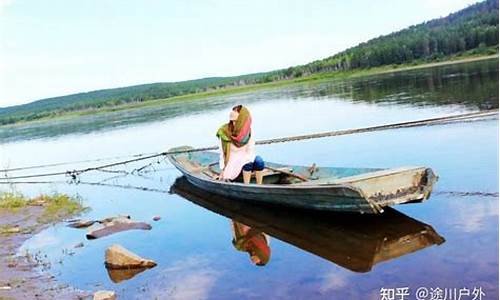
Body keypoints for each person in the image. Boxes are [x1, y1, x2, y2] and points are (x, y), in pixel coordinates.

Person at [216, 105, 265, 184]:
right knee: (247, 164)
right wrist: (222, 169)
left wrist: (247, 159)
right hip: (232, 158)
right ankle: (246, 185)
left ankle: (260, 185)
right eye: (233, 110)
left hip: (245, 155)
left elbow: (250, 151)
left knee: (259, 162)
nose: (232, 112)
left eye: (236, 111)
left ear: (242, 116)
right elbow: (222, 153)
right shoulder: (224, 131)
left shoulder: (247, 131)